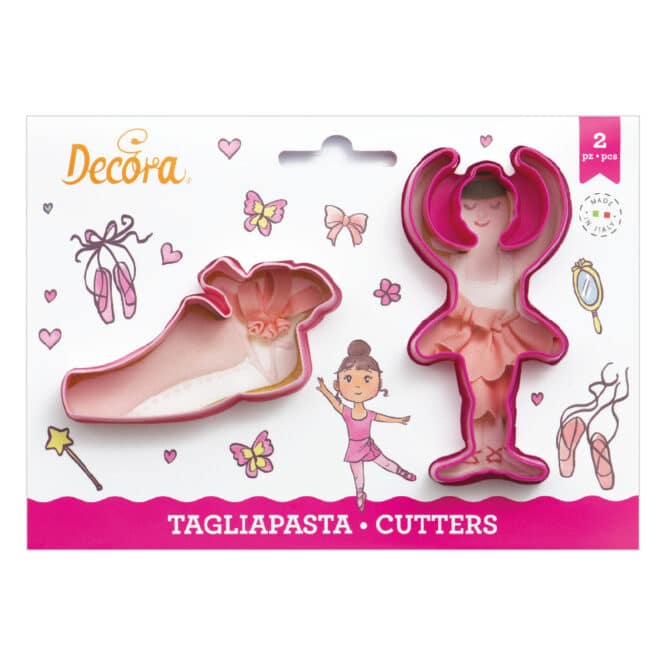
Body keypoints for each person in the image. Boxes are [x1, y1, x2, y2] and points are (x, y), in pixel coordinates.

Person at [317, 339, 414, 510]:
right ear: (338, 384)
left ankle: (401, 472)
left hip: (368, 445)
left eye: (367, 379)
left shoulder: (369, 414)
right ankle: (360, 494)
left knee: (385, 462)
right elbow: (334, 402)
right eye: (348, 378)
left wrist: (398, 420)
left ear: (379, 384)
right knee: (358, 475)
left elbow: (382, 418)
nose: (357, 386)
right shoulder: (346, 412)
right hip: (354, 447)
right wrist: (325, 390)